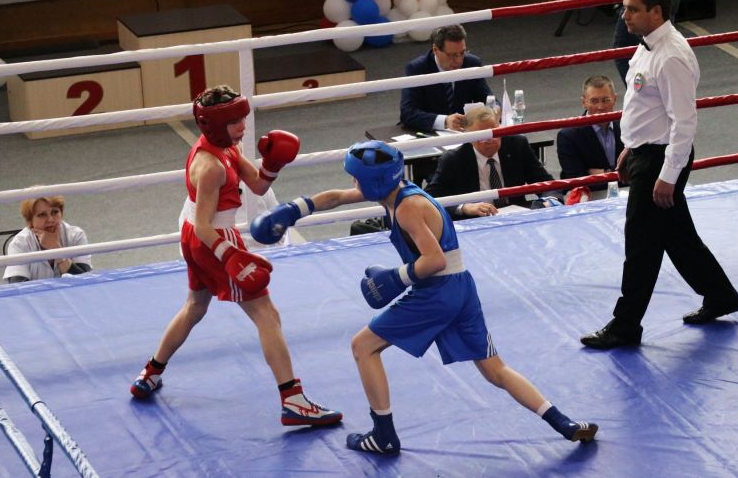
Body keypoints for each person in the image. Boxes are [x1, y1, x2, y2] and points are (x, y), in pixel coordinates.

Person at [251, 140, 597, 455]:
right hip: (461, 289)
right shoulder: (396, 191)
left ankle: (383, 434)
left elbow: (434, 260)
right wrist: (296, 209)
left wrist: (395, 278)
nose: (353, 184)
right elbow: (338, 197)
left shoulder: (407, 209)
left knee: (363, 346)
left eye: (357, 178)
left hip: (438, 291)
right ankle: (563, 423)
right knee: (495, 370)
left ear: (373, 181)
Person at [129, 85, 342, 427]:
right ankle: (293, 401)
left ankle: (151, 373)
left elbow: (258, 186)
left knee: (195, 306)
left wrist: (273, 164)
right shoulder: (210, 166)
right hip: (211, 237)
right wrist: (231, 255)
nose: (242, 126)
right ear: (214, 125)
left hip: (197, 237)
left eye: (242, 118)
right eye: (233, 122)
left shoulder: (227, 147)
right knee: (267, 315)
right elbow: (204, 225)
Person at [581, 0, 738, 350]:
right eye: (624, 8)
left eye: (632, 9)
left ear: (656, 11)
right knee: (676, 235)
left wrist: (667, 174)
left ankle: (625, 325)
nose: (624, 16)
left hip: (662, 159)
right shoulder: (647, 45)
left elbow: (684, 122)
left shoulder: (671, 56)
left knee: (641, 244)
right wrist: (630, 147)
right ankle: (720, 295)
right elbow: (644, 105)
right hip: (648, 153)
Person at [425, 106, 562, 221]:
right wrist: (464, 207)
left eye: (494, 132)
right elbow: (429, 199)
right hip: (475, 223)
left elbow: (546, 183)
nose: (490, 140)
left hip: (516, 218)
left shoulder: (517, 145)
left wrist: (550, 200)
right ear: (468, 136)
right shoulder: (453, 159)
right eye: (481, 135)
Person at [400, 25, 495, 133]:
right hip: (428, 133)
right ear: (435, 50)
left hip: (463, 132)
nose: (459, 60)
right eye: (452, 55)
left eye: (462, 53)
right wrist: (445, 121)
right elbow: (407, 113)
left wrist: (495, 109)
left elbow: (487, 98)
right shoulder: (417, 68)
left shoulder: (472, 63)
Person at [613, 0, 682, 86]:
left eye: (631, 11)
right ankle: (642, 91)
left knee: (626, 48)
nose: (625, 16)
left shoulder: (672, 57)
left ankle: (642, 91)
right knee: (651, 45)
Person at [556, 75, 624, 191]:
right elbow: (577, 180)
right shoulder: (568, 136)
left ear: (615, 99)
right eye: (594, 101)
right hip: (591, 198)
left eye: (605, 100)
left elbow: (639, 170)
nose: (600, 107)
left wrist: (603, 173)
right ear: (584, 102)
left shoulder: (627, 126)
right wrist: (620, 174)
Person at [3, 195, 92, 283]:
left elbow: (86, 283)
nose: (50, 220)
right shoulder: (19, 244)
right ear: (30, 221)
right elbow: (18, 287)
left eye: (54, 212)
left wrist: (56, 250)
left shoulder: (76, 235)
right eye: (42, 215)